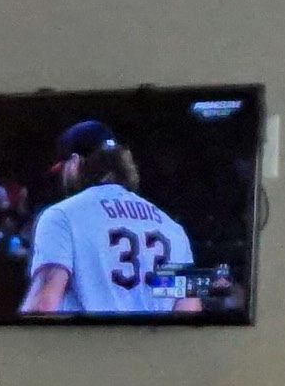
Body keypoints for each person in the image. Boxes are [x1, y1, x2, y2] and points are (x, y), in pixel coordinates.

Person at [19, 125, 200, 318]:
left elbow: (43, 304)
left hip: (88, 338)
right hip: (153, 338)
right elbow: (189, 309)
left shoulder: (62, 216)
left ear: (74, 163)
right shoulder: (172, 227)